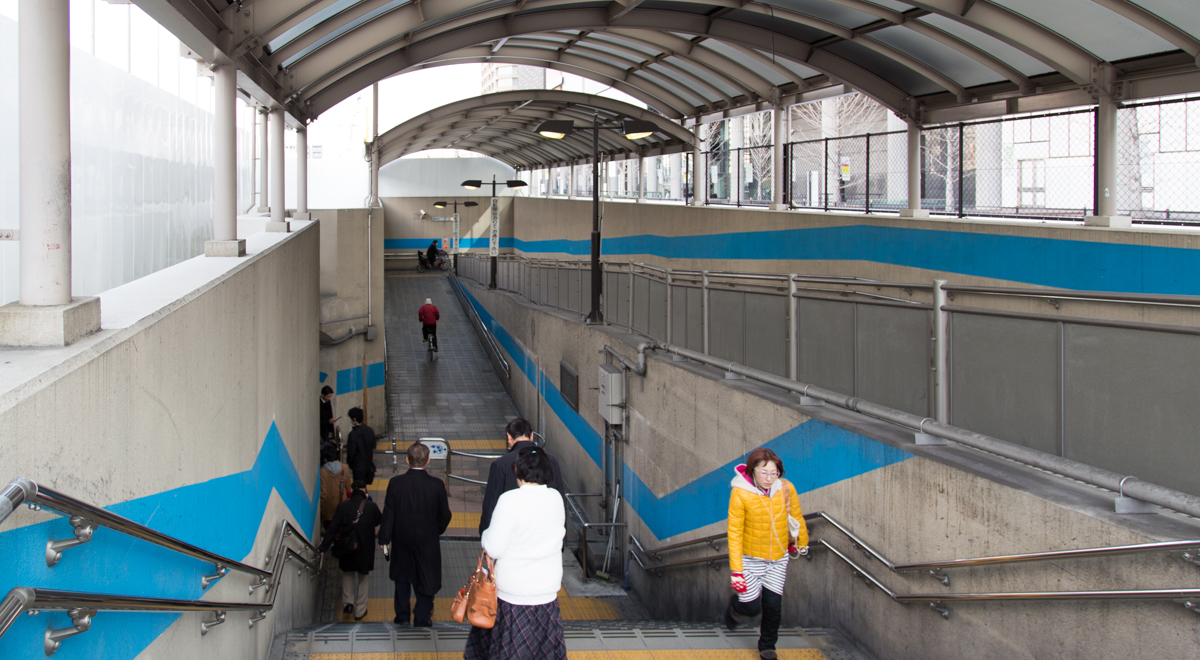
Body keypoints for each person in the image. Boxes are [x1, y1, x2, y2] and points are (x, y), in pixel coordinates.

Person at [465, 447, 567, 660]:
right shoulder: (555, 498)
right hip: (546, 595)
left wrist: (485, 535)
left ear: (518, 472)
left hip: (514, 597)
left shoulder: (510, 500)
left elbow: (494, 548)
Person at [724, 448, 809, 660]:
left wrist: (801, 543)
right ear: (753, 471)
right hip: (750, 560)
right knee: (752, 608)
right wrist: (736, 571)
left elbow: (796, 516)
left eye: (774, 473)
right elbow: (734, 534)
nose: (769, 478)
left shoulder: (786, 488)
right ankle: (736, 608)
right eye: (764, 473)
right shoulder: (740, 493)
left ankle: (767, 646)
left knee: (773, 607)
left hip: (778, 560)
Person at [377, 442, 452, 626]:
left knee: (402, 579)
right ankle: (422, 618)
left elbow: (389, 513)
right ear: (428, 461)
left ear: (406, 460)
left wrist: (385, 538)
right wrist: (436, 530)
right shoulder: (436, 485)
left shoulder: (395, 483)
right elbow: (445, 515)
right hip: (428, 542)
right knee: (426, 579)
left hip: (402, 540)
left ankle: (402, 616)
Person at [479, 418, 566, 535]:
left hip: (512, 536)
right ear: (531, 436)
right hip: (545, 534)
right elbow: (560, 498)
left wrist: (485, 535)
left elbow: (490, 504)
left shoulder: (500, 464)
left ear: (509, 437)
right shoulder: (551, 460)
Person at [318, 480, 382, 621]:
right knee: (363, 578)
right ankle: (360, 610)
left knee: (348, 574)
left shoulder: (343, 506)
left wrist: (323, 547)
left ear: (352, 491)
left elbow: (332, 529)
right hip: (365, 548)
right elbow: (378, 520)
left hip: (347, 547)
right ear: (365, 491)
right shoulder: (371, 506)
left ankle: (348, 604)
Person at [319, 442, 353, 531]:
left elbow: (323, 493)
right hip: (342, 503)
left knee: (330, 530)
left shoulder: (323, 471)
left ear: (325, 459)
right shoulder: (343, 468)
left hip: (328, 507)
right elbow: (348, 487)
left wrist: (320, 509)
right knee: (341, 529)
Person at [346, 407, 376, 485]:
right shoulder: (369, 430)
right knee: (365, 485)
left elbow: (351, 452)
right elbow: (373, 445)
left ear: (354, 419)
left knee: (359, 487)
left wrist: (350, 463)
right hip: (369, 464)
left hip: (358, 466)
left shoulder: (353, 435)